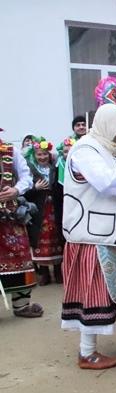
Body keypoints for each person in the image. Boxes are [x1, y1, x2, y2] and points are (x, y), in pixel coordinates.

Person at [61, 104, 116, 369]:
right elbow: (108, 183)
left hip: (115, 235)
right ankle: (87, 353)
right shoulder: (86, 150)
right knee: (93, 296)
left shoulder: (107, 148)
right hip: (92, 237)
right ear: (108, 125)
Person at [0, 128, 43, 318]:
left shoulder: (10, 150)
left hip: (10, 214)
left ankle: (21, 304)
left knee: (19, 255)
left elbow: (26, 175)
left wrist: (16, 190)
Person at [25, 138, 64, 285]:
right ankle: (44, 273)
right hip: (39, 211)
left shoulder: (55, 167)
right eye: (39, 155)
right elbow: (24, 193)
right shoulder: (29, 171)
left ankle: (58, 271)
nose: (42, 157)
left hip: (54, 209)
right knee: (40, 240)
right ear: (34, 156)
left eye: (44, 154)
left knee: (57, 237)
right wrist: (35, 188)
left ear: (49, 155)